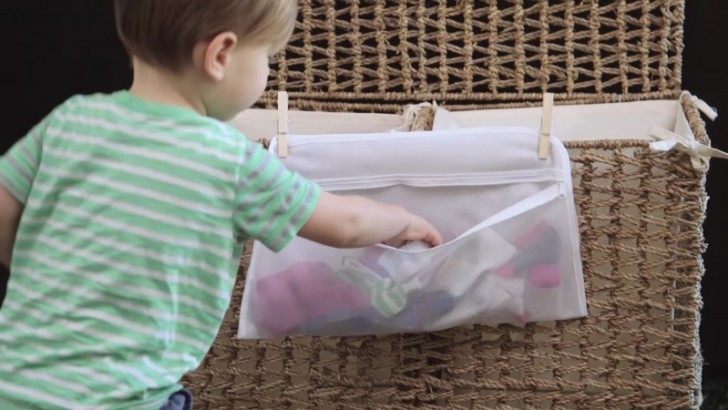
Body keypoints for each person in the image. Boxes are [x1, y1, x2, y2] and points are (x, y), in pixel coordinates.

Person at [0, 1, 443, 408]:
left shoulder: (73, 119)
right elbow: (345, 224)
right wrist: (400, 219)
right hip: (123, 399)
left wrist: (44, 269)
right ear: (220, 56)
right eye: (267, 55)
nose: (268, 69)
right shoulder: (228, 159)